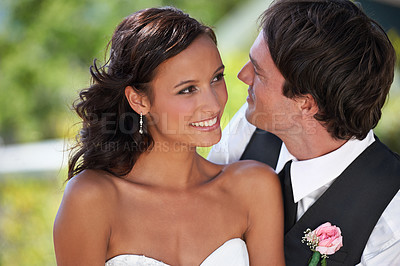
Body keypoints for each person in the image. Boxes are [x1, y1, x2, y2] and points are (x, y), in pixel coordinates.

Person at [53, 7, 285, 266]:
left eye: (216, 78)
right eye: (187, 90)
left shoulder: (254, 188)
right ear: (138, 100)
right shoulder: (92, 198)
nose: (212, 103)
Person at [208, 0, 400, 265]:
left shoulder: (392, 213)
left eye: (259, 73)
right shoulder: (251, 124)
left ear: (306, 103)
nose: (243, 76)